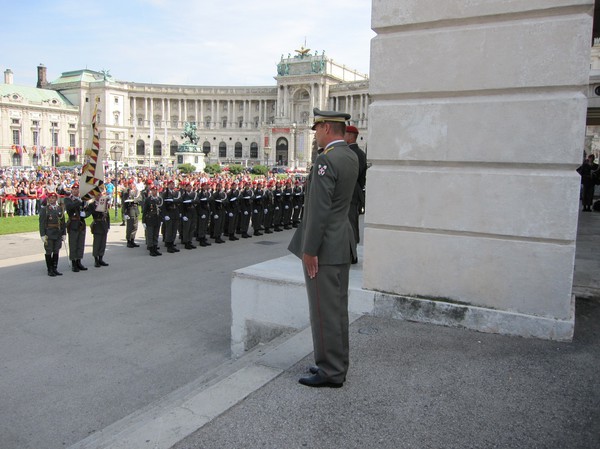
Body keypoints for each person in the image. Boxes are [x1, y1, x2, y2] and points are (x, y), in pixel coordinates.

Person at [288, 108, 358, 388]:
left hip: (325, 247)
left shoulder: (325, 161)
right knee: (337, 309)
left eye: (317, 129)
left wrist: (309, 249)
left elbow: (318, 210)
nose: (315, 134)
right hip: (342, 241)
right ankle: (337, 363)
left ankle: (330, 371)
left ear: (327, 128)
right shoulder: (351, 156)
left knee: (323, 310)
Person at [344, 125, 368, 262]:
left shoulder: (352, 153)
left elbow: (351, 175)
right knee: (351, 223)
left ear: (351, 136)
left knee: (350, 224)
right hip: (355, 192)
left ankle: (351, 254)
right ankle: (351, 253)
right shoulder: (360, 153)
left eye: (345, 134)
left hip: (351, 192)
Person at [39, 191, 66, 276]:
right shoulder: (45, 209)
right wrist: (42, 234)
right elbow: (42, 223)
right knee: (49, 251)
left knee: (56, 250)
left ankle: (55, 268)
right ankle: (49, 269)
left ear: (56, 199)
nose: (52, 199)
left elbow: (62, 222)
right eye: (50, 198)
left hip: (57, 233)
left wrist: (64, 233)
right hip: (49, 233)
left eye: (53, 198)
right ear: (48, 199)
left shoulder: (59, 209)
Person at [63, 183, 89, 272]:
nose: (75, 190)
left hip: (81, 223)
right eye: (74, 189)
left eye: (77, 189)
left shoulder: (83, 200)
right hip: (73, 223)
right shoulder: (68, 199)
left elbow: (86, 210)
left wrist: (86, 213)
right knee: (73, 243)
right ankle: (74, 263)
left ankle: (79, 261)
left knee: (80, 243)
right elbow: (70, 207)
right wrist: (79, 201)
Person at [86, 185, 111, 267]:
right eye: (97, 195)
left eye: (100, 194)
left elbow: (107, 215)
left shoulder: (104, 203)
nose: (99, 196)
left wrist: (108, 225)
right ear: (94, 196)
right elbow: (90, 213)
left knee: (103, 243)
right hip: (97, 224)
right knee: (97, 243)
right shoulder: (92, 205)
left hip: (103, 225)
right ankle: (96, 259)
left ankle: (101, 258)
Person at [141, 184, 163, 256]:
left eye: (156, 190)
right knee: (150, 234)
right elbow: (145, 211)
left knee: (156, 234)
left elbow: (161, 210)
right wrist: (143, 221)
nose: (155, 192)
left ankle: (155, 247)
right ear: (151, 191)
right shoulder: (148, 200)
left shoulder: (159, 199)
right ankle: (151, 249)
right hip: (150, 219)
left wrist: (162, 219)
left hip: (157, 219)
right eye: (153, 190)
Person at [122, 181, 141, 248]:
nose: (132, 185)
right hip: (129, 210)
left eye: (133, 184)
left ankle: (132, 240)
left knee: (135, 226)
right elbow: (124, 203)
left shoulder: (136, 191)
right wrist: (124, 213)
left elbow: (140, 199)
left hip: (135, 210)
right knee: (130, 226)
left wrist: (135, 200)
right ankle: (129, 240)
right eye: (130, 184)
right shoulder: (126, 192)